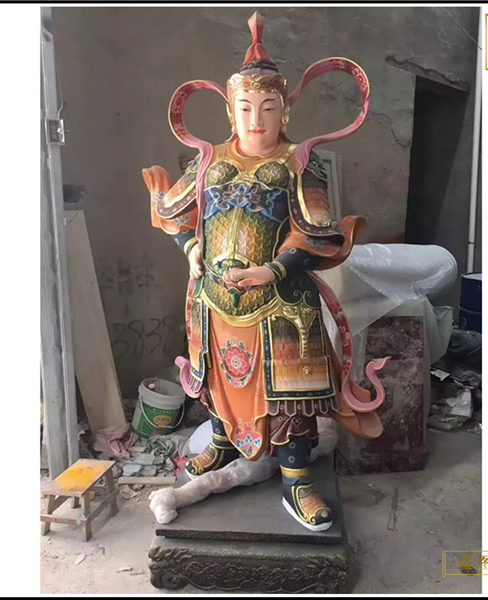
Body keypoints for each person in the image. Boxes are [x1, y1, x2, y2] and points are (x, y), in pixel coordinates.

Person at [142, 12, 388, 532]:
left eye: (268, 109)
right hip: (214, 300)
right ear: (230, 111)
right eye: (246, 108)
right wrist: (191, 248)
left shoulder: (298, 164)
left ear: (285, 112)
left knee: (288, 397)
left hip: (281, 304)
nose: (256, 120)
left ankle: (296, 480)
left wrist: (272, 271)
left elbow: (315, 231)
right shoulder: (208, 162)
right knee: (217, 380)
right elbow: (178, 216)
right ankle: (222, 444)